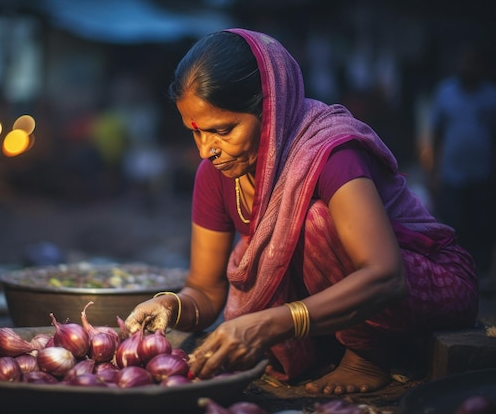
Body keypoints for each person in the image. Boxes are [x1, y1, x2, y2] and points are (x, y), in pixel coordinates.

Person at [124, 29, 478, 395]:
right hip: (351, 304)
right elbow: (205, 289)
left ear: (271, 108)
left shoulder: (330, 152)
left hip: (433, 283)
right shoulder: (215, 175)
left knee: (313, 221)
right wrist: (174, 304)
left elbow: (386, 277)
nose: (206, 150)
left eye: (223, 130)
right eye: (196, 133)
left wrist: (270, 323)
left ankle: (366, 357)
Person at [428, 44, 496, 281]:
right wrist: (433, 171)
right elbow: (435, 134)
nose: (469, 66)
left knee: (481, 226)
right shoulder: (445, 93)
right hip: (452, 174)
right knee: (455, 225)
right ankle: (459, 276)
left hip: (481, 174)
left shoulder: (491, 97)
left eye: (474, 62)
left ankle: (480, 276)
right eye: (466, 61)